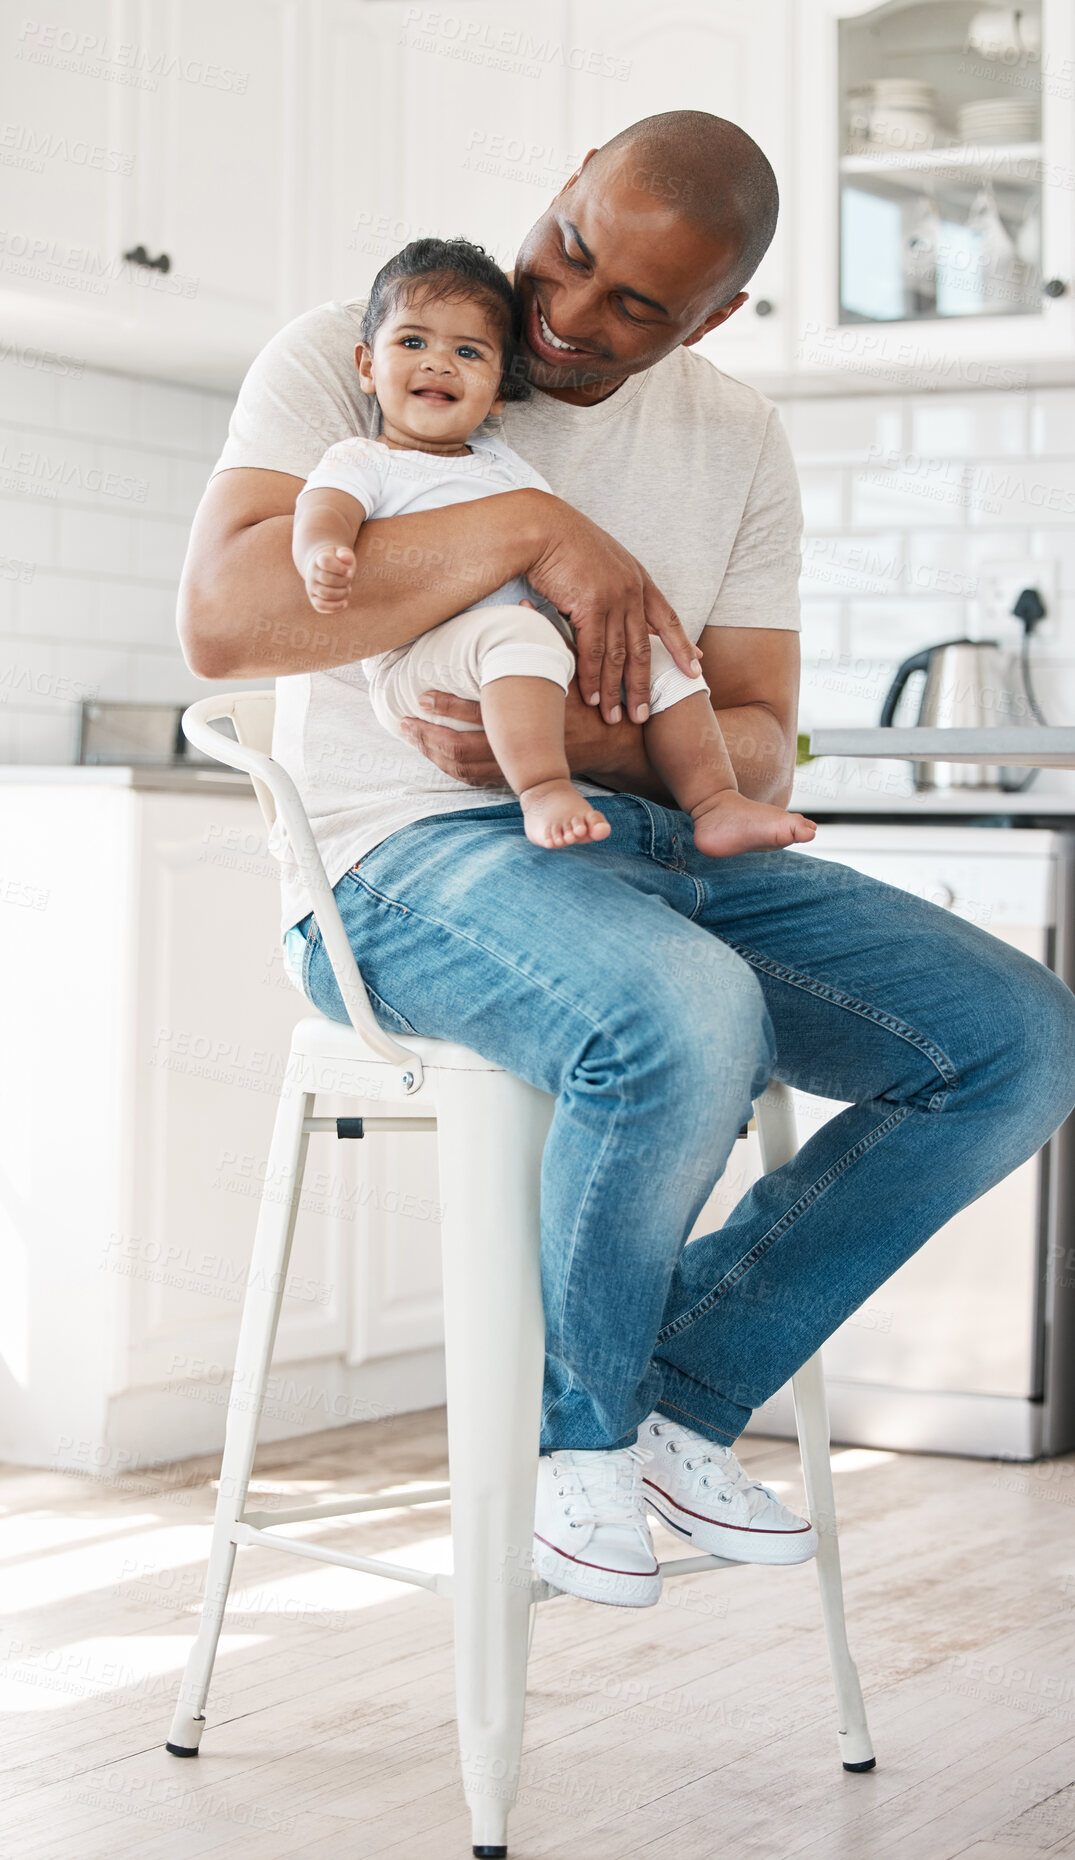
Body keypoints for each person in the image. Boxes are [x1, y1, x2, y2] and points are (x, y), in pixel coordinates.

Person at [179, 109, 1075, 1609]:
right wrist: (537, 525)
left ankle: (672, 1395)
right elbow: (227, 621)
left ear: (715, 319)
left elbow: (763, 737)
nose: (562, 313)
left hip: (653, 832)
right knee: (682, 1011)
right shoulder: (370, 343)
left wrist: (582, 748)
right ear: (565, 178)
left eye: (632, 309)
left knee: (1013, 1042)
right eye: (570, 248)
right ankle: (572, 1440)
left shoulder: (735, 436)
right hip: (397, 861)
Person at [293, 235, 816, 858]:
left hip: (521, 640)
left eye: (468, 351)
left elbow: (563, 556)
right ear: (366, 367)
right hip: (416, 664)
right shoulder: (367, 459)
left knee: (655, 661)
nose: (438, 363)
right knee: (518, 637)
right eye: (412, 343)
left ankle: (716, 803)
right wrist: (323, 553)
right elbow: (324, 508)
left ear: (499, 390)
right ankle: (544, 788)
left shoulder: (506, 469)